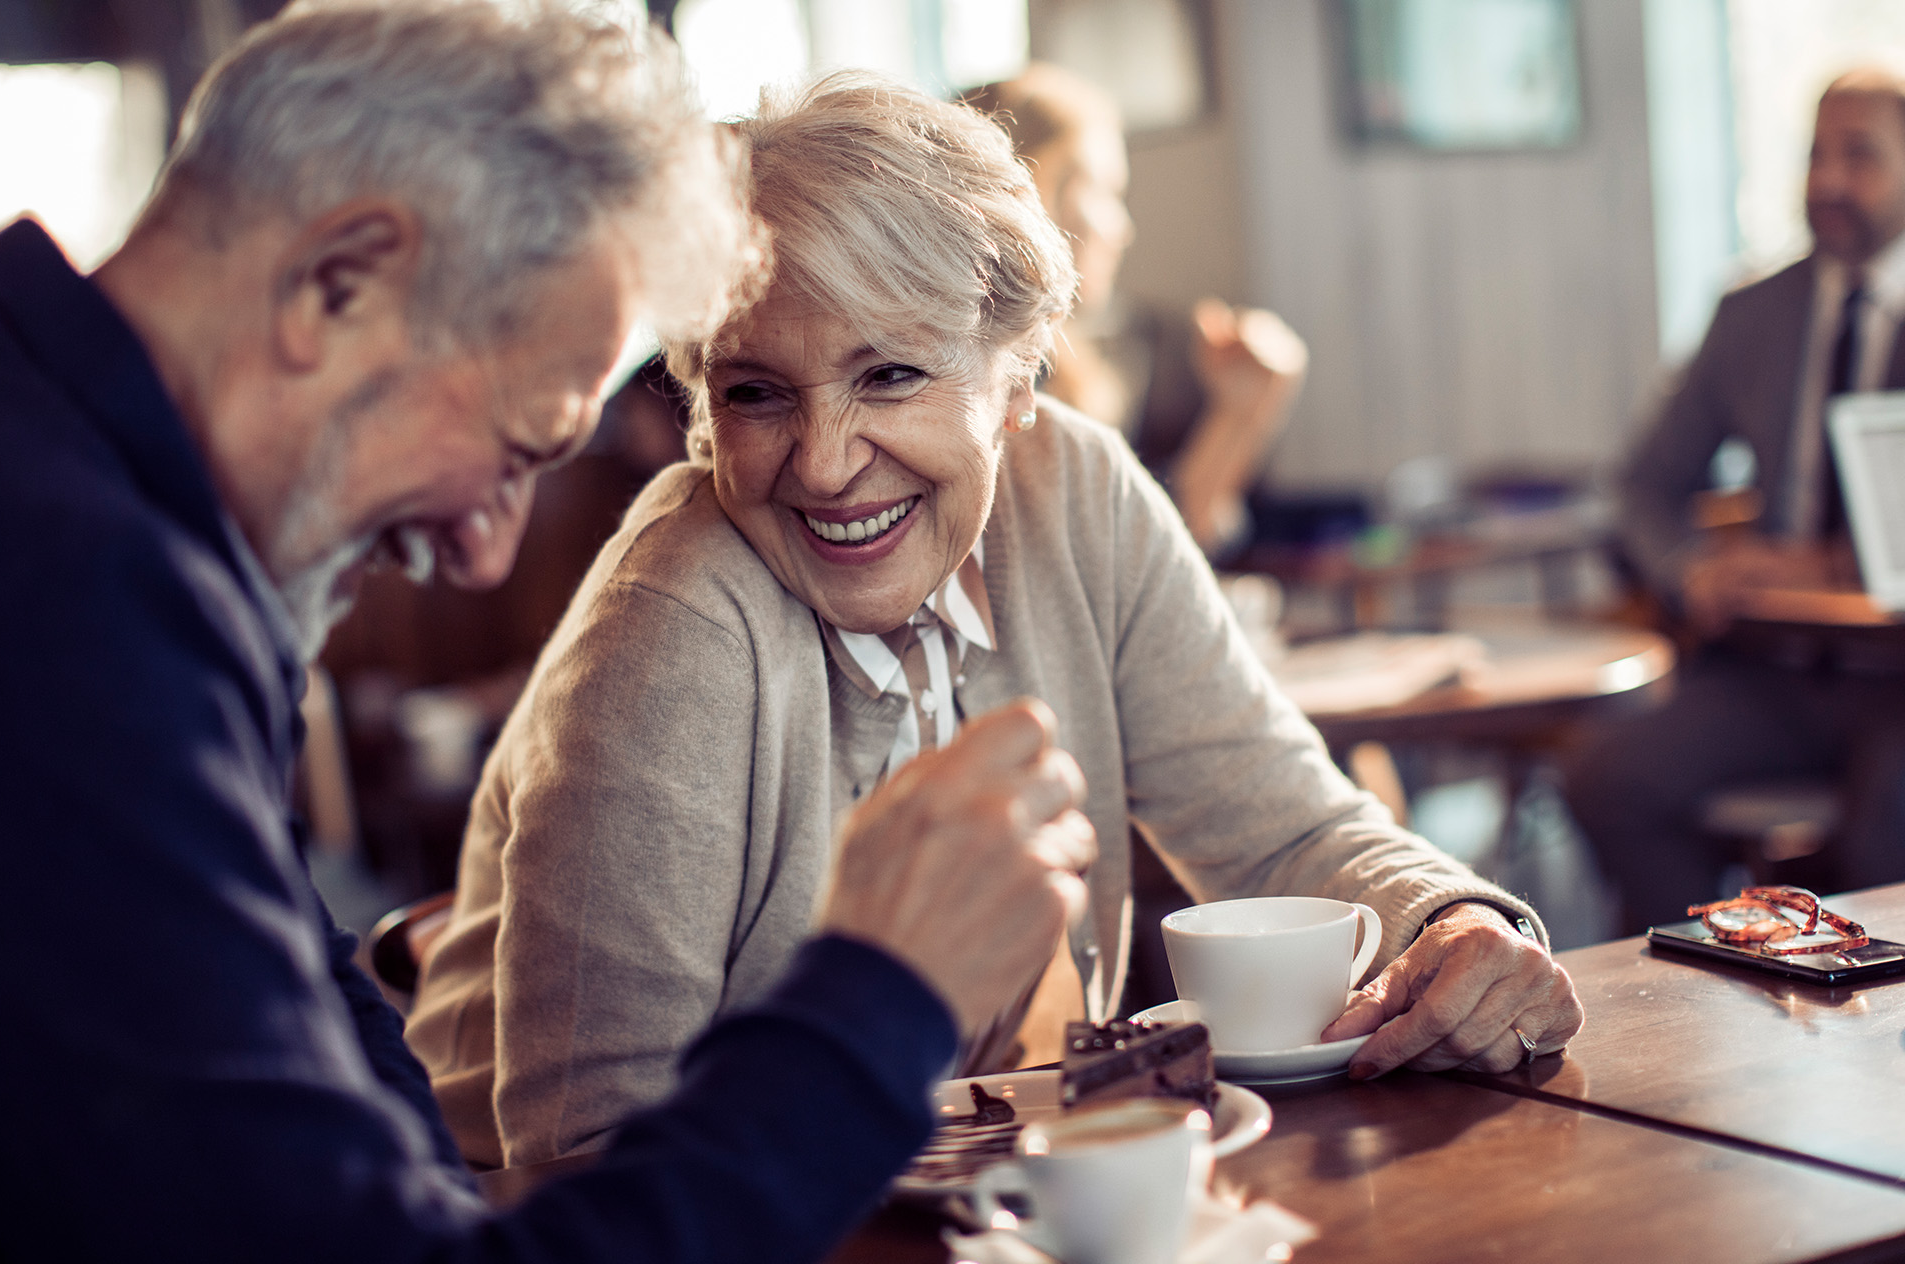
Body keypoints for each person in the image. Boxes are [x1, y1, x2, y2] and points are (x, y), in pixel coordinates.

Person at [0, 0, 1098, 1263]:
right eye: (519, 444)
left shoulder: (76, 500)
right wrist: (882, 993)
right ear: (340, 284)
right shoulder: (65, 609)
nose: (482, 555)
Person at [407, 74, 1583, 1168]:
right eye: (757, 392)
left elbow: (1279, 827)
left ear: (1019, 380)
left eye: (889, 376)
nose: (822, 466)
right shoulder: (672, 625)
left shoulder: (1078, 493)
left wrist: (1456, 921)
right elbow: (588, 1150)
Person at [1573, 68, 1905, 931]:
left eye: (1859, 157)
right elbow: (1643, 484)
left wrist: (1834, 562)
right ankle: (1710, 989)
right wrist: (1688, 569)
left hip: (1898, 678)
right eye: (1814, 156)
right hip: (1776, 669)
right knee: (1613, 777)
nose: (1828, 182)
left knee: (1883, 833)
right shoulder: (1755, 310)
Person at [962, 63, 1309, 555]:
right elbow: (1109, 570)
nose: (1121, 229)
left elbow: (1145, 555)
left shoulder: (1072, 368)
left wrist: (1241, 414)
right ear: (1030, 198)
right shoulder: (982, 385)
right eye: (1104, 192)